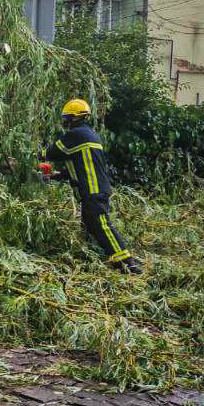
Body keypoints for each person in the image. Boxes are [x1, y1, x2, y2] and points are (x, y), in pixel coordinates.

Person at [42, 99, 143, 275]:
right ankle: (94, 257)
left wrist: (30, 155)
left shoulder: (76, 135)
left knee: (102, 224)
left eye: (66, 118)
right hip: (94, 187)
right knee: (90, 225)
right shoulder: (88, 134)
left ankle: (127, 262)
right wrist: (57, 176)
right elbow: (80, 165)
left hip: (94, 189)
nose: (64, 122)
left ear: (73, 118)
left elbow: (52, 153)